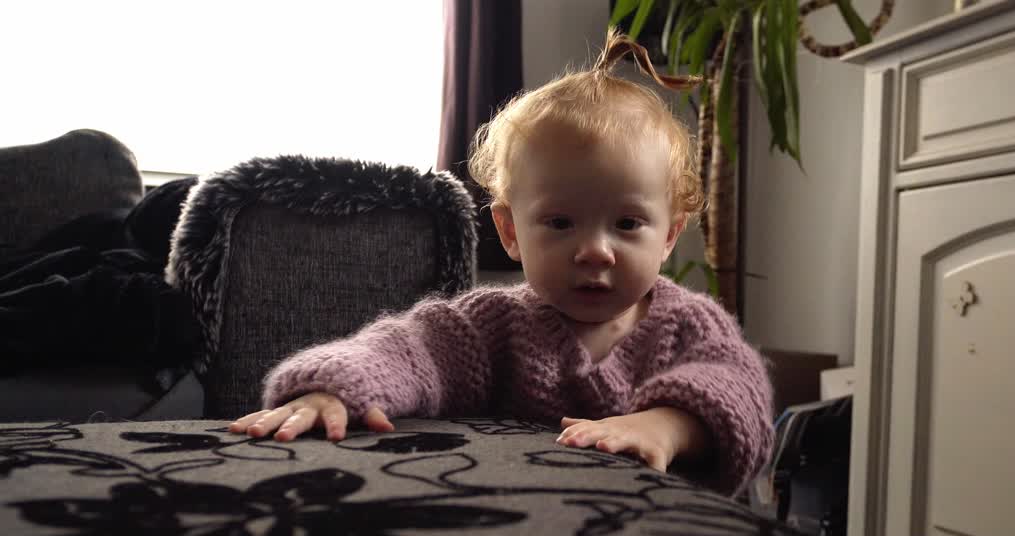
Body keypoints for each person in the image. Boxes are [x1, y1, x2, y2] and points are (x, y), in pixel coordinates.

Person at [228, 28, 774, 495]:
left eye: (627, 224)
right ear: (511, 231)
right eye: (560, 223)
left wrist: (668, 426)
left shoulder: (687, 325)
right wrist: (336, 389)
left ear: (670, 236)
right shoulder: (495, 326)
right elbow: (412, 348)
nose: (595, 250)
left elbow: (739, 390)